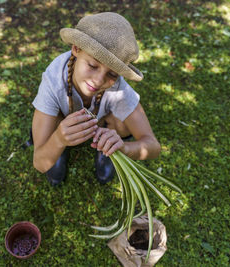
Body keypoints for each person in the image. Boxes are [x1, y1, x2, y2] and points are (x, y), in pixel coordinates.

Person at [31, 12, 161, 186]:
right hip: (61, 123)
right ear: (76, 49)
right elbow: (39, 162)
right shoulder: (53, 81)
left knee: (122, 122)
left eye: (112, 74)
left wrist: (123, 148)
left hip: (101, 124)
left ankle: (105, 149)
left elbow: (153, 146)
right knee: (51, 126)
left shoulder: (118, 89)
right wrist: (58, 140)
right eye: (92, 65)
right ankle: (60, 149)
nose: (99, 81)